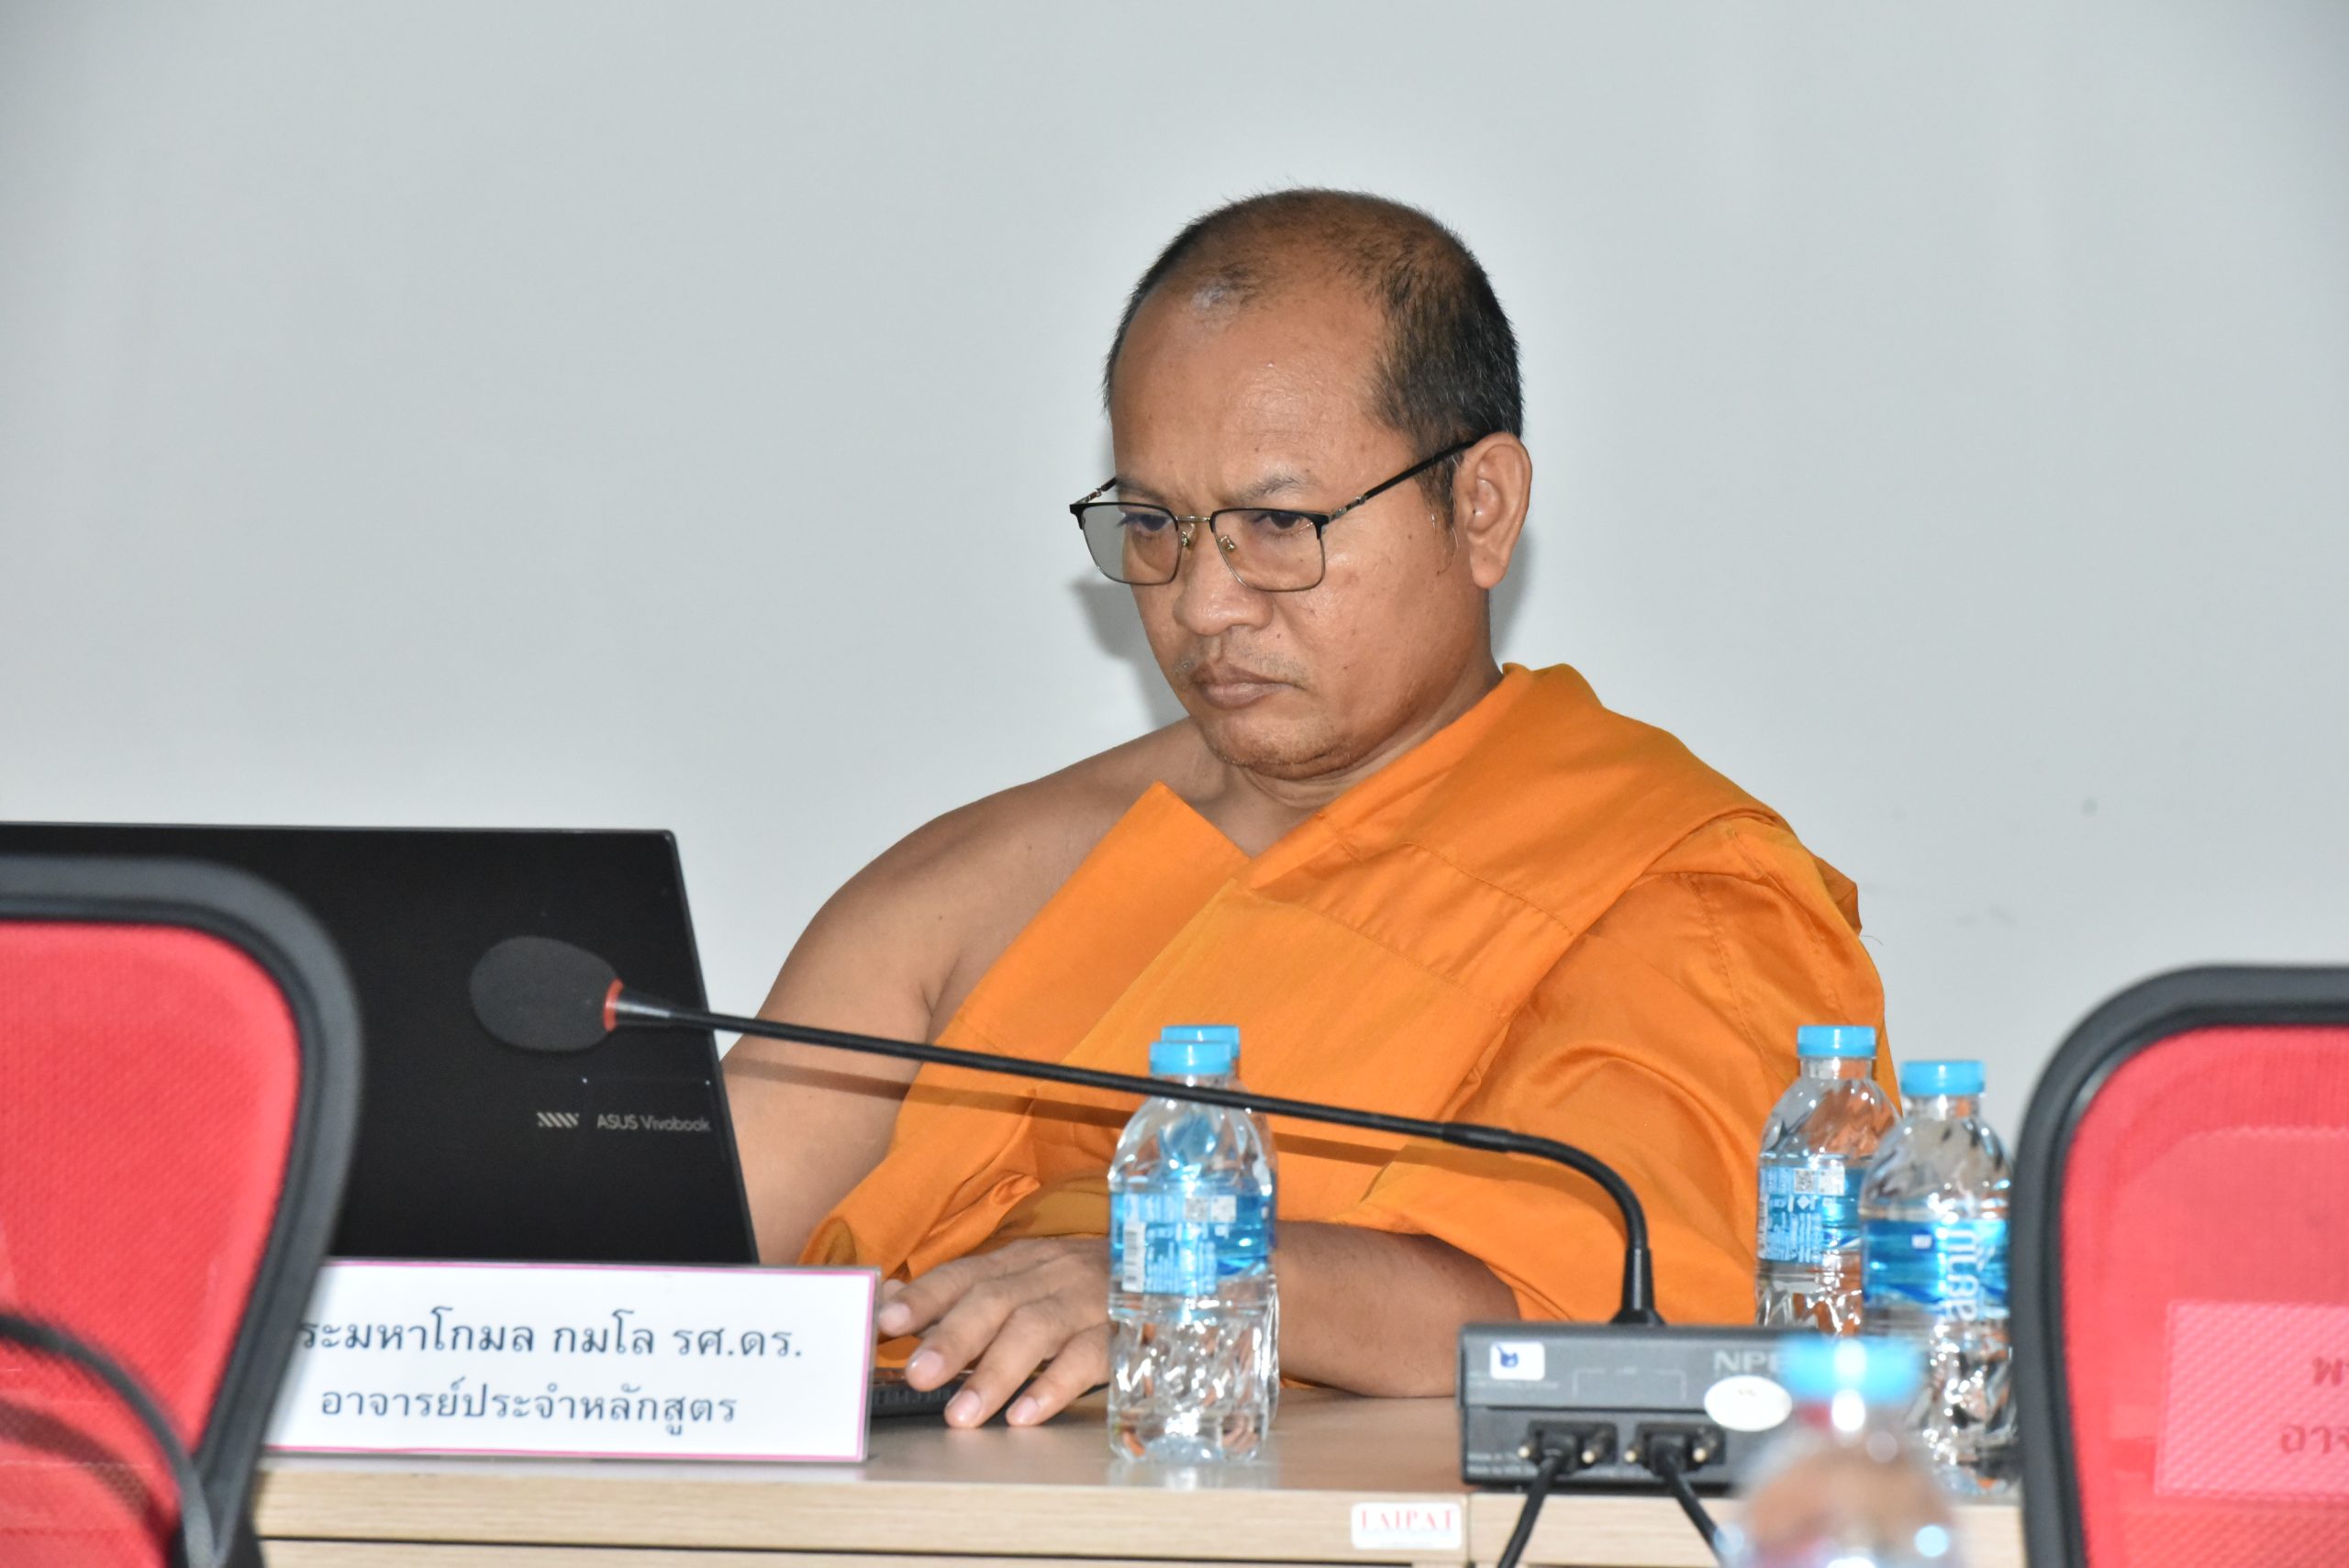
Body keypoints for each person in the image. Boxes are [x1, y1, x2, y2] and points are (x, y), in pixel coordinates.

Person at [724, 189, 1888, 1430]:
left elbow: (1662, 1315)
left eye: (1278, 524)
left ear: (1481, 506)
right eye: (1156, 526)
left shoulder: (1670, 884)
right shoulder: (976, 888)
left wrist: (1207, 1278)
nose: (1204, 603)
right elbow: (647, 1275)